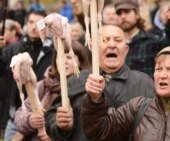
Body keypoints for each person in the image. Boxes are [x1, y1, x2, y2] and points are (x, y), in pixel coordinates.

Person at [45, 24, 155, 140]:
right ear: (92, 47)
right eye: (104, 40)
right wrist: (62, 127)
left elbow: (157, 123)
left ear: (126, 49)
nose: (112, 45)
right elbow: (51, 118)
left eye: (117, 40)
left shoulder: (144, 83)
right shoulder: (75, 81)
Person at [81, 45, 170, 141]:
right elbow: (100, 132)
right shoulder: (138, 107)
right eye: (158, 69)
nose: (162, 75)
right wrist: (95, 100)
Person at [14, 40, 91, 141]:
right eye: (60, 57)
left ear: (80, 62)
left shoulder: (87, 87)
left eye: (69, 57)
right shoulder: (44, 85)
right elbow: (21, 113)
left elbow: (87, 125)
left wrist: (55, 134)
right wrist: (30, 120)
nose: (64, 61)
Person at [0, 11, 54, 141]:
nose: (34, 26)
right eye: (30, 22)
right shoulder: (13, 48)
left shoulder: (53, 51)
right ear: (25, 24)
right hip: (15, 120)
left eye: (38, 23)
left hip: (42, 120)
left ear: (46, 26)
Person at [113, 0, 170, 78]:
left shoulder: (154, 41)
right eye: (119, 13)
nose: (123, 17)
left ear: (137, 14)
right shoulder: (112, 45)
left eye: (127, 12)